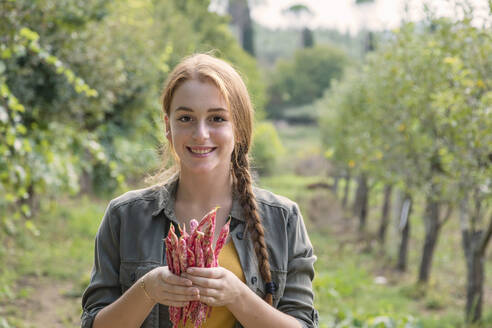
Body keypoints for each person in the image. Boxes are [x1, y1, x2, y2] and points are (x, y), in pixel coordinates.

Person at [81, 53, 319, 328]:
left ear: (239, 129)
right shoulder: (125, 216)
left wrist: (237, 295)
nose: (200, 134)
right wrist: (146, 289)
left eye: (217, 118)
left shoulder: (283, 219)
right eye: (185, 118)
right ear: (167, 127)